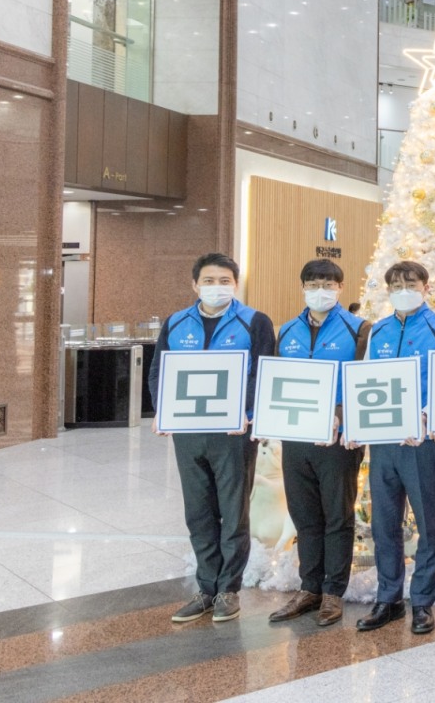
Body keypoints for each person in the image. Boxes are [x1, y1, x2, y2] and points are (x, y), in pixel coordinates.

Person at [149, 252, 276, 624]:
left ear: (236, 285)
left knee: (233, 512)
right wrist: (162, 409)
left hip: (233, 434)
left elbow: (263, 372)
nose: (216, 287)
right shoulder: (176, 323)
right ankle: (205, 588)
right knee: (198, 511)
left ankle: (227, 590)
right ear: (194, 285)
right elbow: (160, 369)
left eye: (225, 281)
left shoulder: (254, 322)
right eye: (209, 280)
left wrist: (248, 413)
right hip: (189, 433)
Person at [355, 261, 435, 636]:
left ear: (426, 287)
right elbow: (366, 380)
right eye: (397, 284)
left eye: (411, 283)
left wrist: (426, 416)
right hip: (383, 442)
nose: (404, 289)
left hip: (422, 443)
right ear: (388, 291)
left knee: (429, 524)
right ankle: (388, 598)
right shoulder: (378, 330)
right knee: (384, 522)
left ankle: (422, 602)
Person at [267, 260, 369, 628]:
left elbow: (364, 381)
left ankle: (333, 592)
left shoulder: (359, 329)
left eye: (327, 283)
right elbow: (277, 379)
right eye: (312, 283)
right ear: (303, 288)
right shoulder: (288, 330)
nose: (320, 289)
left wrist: (342, 414)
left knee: (337, 515)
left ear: (340, 288)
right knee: (304, 515)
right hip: (296, 438)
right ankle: (309, 587)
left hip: (338, 440)